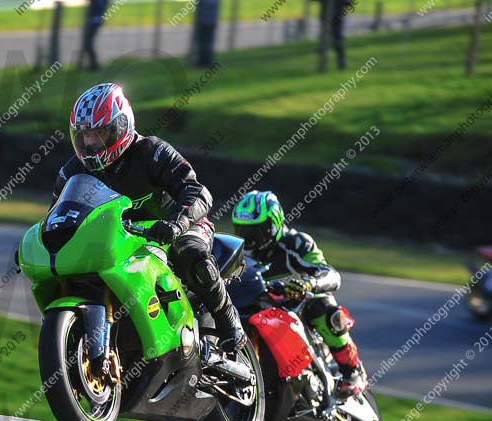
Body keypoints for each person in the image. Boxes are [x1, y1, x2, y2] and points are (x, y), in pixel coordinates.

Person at [51, 83, 246, 355]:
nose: (91, 143)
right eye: (84, 136)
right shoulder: (72, 170)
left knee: (189, 251)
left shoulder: (152, 151)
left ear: (121, 126)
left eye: (100, 132)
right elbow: (57, 216)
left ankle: (228, 320)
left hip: (176, 228)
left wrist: (177, 223)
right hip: (120, 240)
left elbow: (197, 191)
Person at [230, 190, 367, 396]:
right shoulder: (239, 256)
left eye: (256, 232)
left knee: (324, 308)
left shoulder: (296, 243)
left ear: (274, 224)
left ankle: (352, 371)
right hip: (261, 312)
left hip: (299, 310)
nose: (250, 240)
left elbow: (330, 275)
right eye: (243, 232)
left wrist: (308, 285)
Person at [317, 0, 353, 69]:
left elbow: (348, 3)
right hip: (326, 16)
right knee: (324, 40)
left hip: (337, 16)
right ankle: (322, 64)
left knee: (338, 39)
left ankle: (341, 63)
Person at [78, 0, 109, 71]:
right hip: (92, 21)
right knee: (87, 44)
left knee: (88, 44)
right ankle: (91, 65)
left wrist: (95, 19)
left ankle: (94, 66)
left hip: (93, 22)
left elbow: (99, 8)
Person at [193, 0, 221, 68]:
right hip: (208, 21)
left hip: (205, 21)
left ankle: (204, 62)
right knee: (205, 43)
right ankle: (204, 61)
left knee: (205, 43)